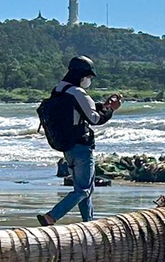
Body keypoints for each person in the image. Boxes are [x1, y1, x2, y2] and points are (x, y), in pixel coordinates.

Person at [38, 56, 123, 226]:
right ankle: (52, 216)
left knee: (85, 190)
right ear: (82, 75)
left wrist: (103, 106)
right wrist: (111, 110)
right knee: (84, 189)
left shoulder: (59, 90)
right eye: (89, 77)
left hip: (67, 147)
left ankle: (89, 224)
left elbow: (81, 109)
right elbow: (94, 118)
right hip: (81, 147)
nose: (89, 81)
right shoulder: (77, 92)